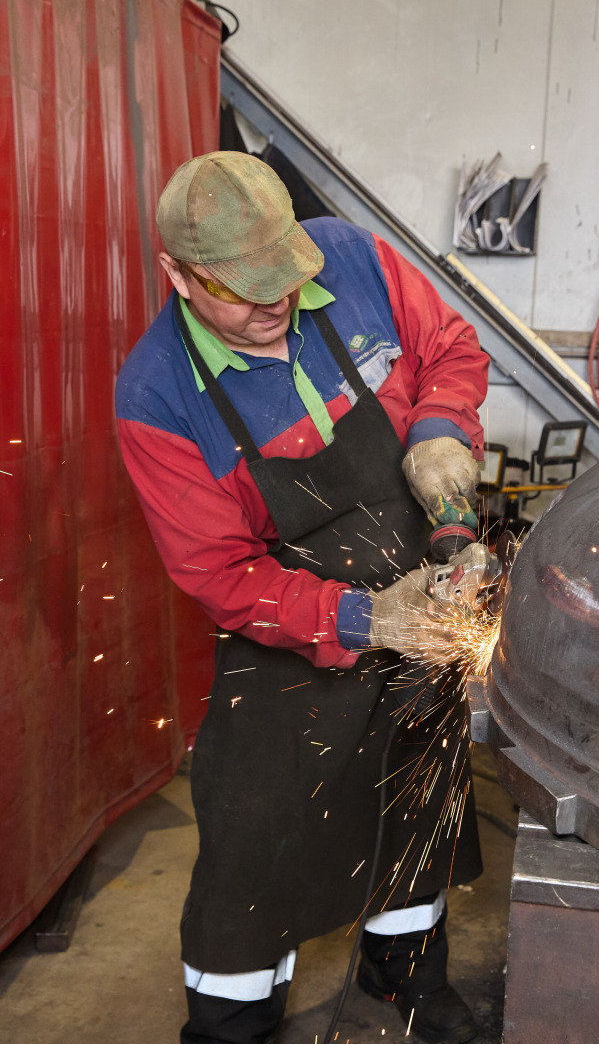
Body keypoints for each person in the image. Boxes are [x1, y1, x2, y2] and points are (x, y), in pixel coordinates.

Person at [115, 151, 491, 1044]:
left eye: (285, 274)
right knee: (254, 853)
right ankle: (231, 1023)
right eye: (245, 288)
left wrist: (440, 461)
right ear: (177, 273)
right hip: (286, 644)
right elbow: (220, 574)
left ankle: (404, 976)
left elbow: (449, 350)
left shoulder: (354, 258)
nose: (275, 301)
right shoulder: (158, 393)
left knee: (415, 804)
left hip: (420, 611)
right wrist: (365, 618)